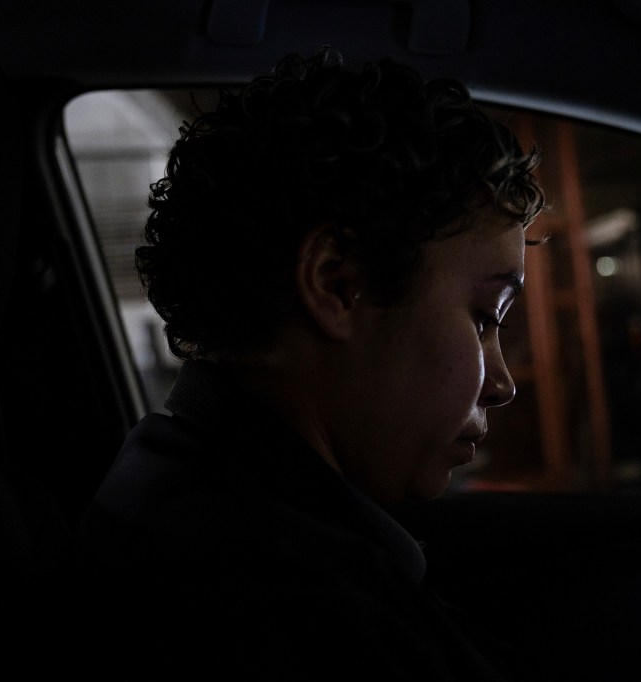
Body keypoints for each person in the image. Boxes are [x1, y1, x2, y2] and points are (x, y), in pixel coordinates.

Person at [74, 46, 545, 681]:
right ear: (337, 282)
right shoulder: (298, 613)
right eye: (486, 316)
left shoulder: (174, 487)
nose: (504, 384)